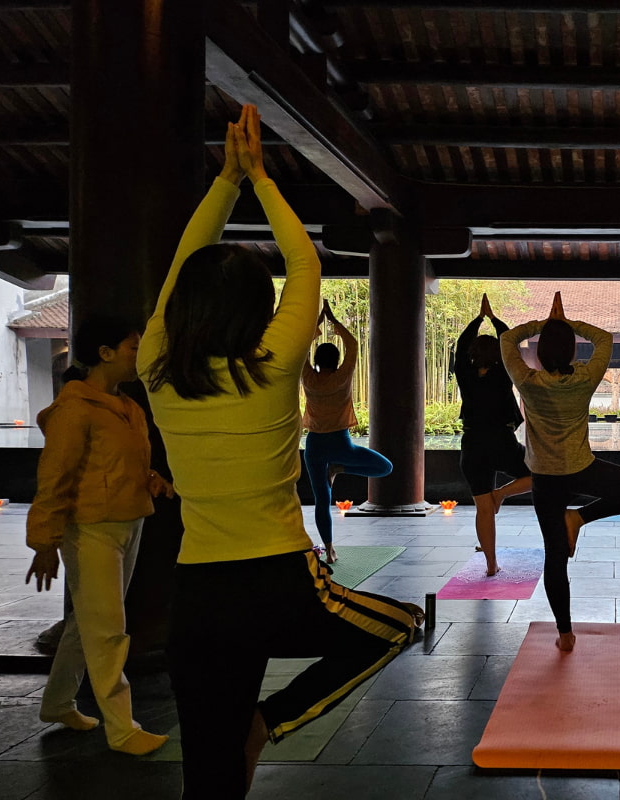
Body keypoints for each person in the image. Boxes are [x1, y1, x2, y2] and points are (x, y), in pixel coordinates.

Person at [139, 105, 422, 799]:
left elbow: (182, 269)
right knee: (398, 626)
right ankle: (273, 720)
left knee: (209, 772)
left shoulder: (157, 366)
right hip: (278, 579)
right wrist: (258, 179)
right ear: (256, 309)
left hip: (198, 591)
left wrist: (226, 185)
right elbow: (304, 262)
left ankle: (252, 731)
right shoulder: (270, 365)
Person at [24, 315, 174, 756]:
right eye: (132, 347)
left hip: (129, 523)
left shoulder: (125, 405)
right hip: (90, 530)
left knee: (86, 622)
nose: (138, 354)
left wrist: (150, 478)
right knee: (108, 629)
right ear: (105, 354)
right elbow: (54, 479)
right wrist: (45, 542)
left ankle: (57, 702)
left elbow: (112, 463)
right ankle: (121, 728)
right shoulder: (74, 410)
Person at [502, 292, 620, 651]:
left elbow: (507, 338)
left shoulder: (527, 380)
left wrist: (545, 323)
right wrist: (566, 323)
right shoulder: (585, 379)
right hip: (582, 469)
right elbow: (605, 338)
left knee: (555, 556)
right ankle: (581, 518)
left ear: (539, 353)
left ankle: (565, 634)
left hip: (545, 478)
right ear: (572, 352)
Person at [302, 298, 393, 563]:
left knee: (322, 499)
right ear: (337, 360)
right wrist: (334, 322)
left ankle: (329, 549)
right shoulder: (343, 376)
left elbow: (299, 349)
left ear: (317, 360)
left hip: (315, 446)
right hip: (341, 444)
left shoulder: (307, 378)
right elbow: (352, 344)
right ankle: (339, 469)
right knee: (384, 467)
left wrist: (316, 325)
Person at [455, 293, 532, 575]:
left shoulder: (465, 373)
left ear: (472, 355)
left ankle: (491, 565)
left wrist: (477, 320)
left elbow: (461, 346)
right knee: (539, 473)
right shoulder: (504, 372)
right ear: (499, 355)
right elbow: (509, 341)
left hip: (472, 444)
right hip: (501, 441)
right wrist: (494, 319)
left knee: (482, 508)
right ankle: (501, 494)